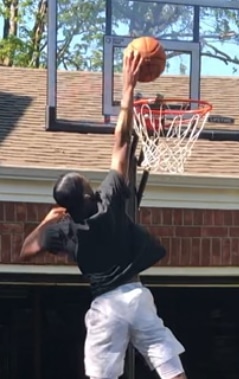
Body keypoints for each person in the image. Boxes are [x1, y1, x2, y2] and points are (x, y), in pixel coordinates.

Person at [20, 51, 187, 379]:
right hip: (136, 295)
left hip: (107, 305)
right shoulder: (108, 200)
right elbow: (121, 143)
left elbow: (26, 250)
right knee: (163, 353)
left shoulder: (64, 230)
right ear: (87, 193)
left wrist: (46, 221)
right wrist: (127, 87)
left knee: (101, 374)